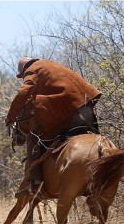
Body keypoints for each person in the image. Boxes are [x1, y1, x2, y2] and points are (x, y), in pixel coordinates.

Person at [6, 57, 101, 198]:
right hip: (86, 106)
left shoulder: (32, 70)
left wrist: (11, 115)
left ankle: (35, 183)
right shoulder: (52, 65)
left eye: (22, 76)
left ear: (24, 69)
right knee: (95, 141)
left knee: (34, 136)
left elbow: (23, 92)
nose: (23, 78)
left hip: (67, 107)